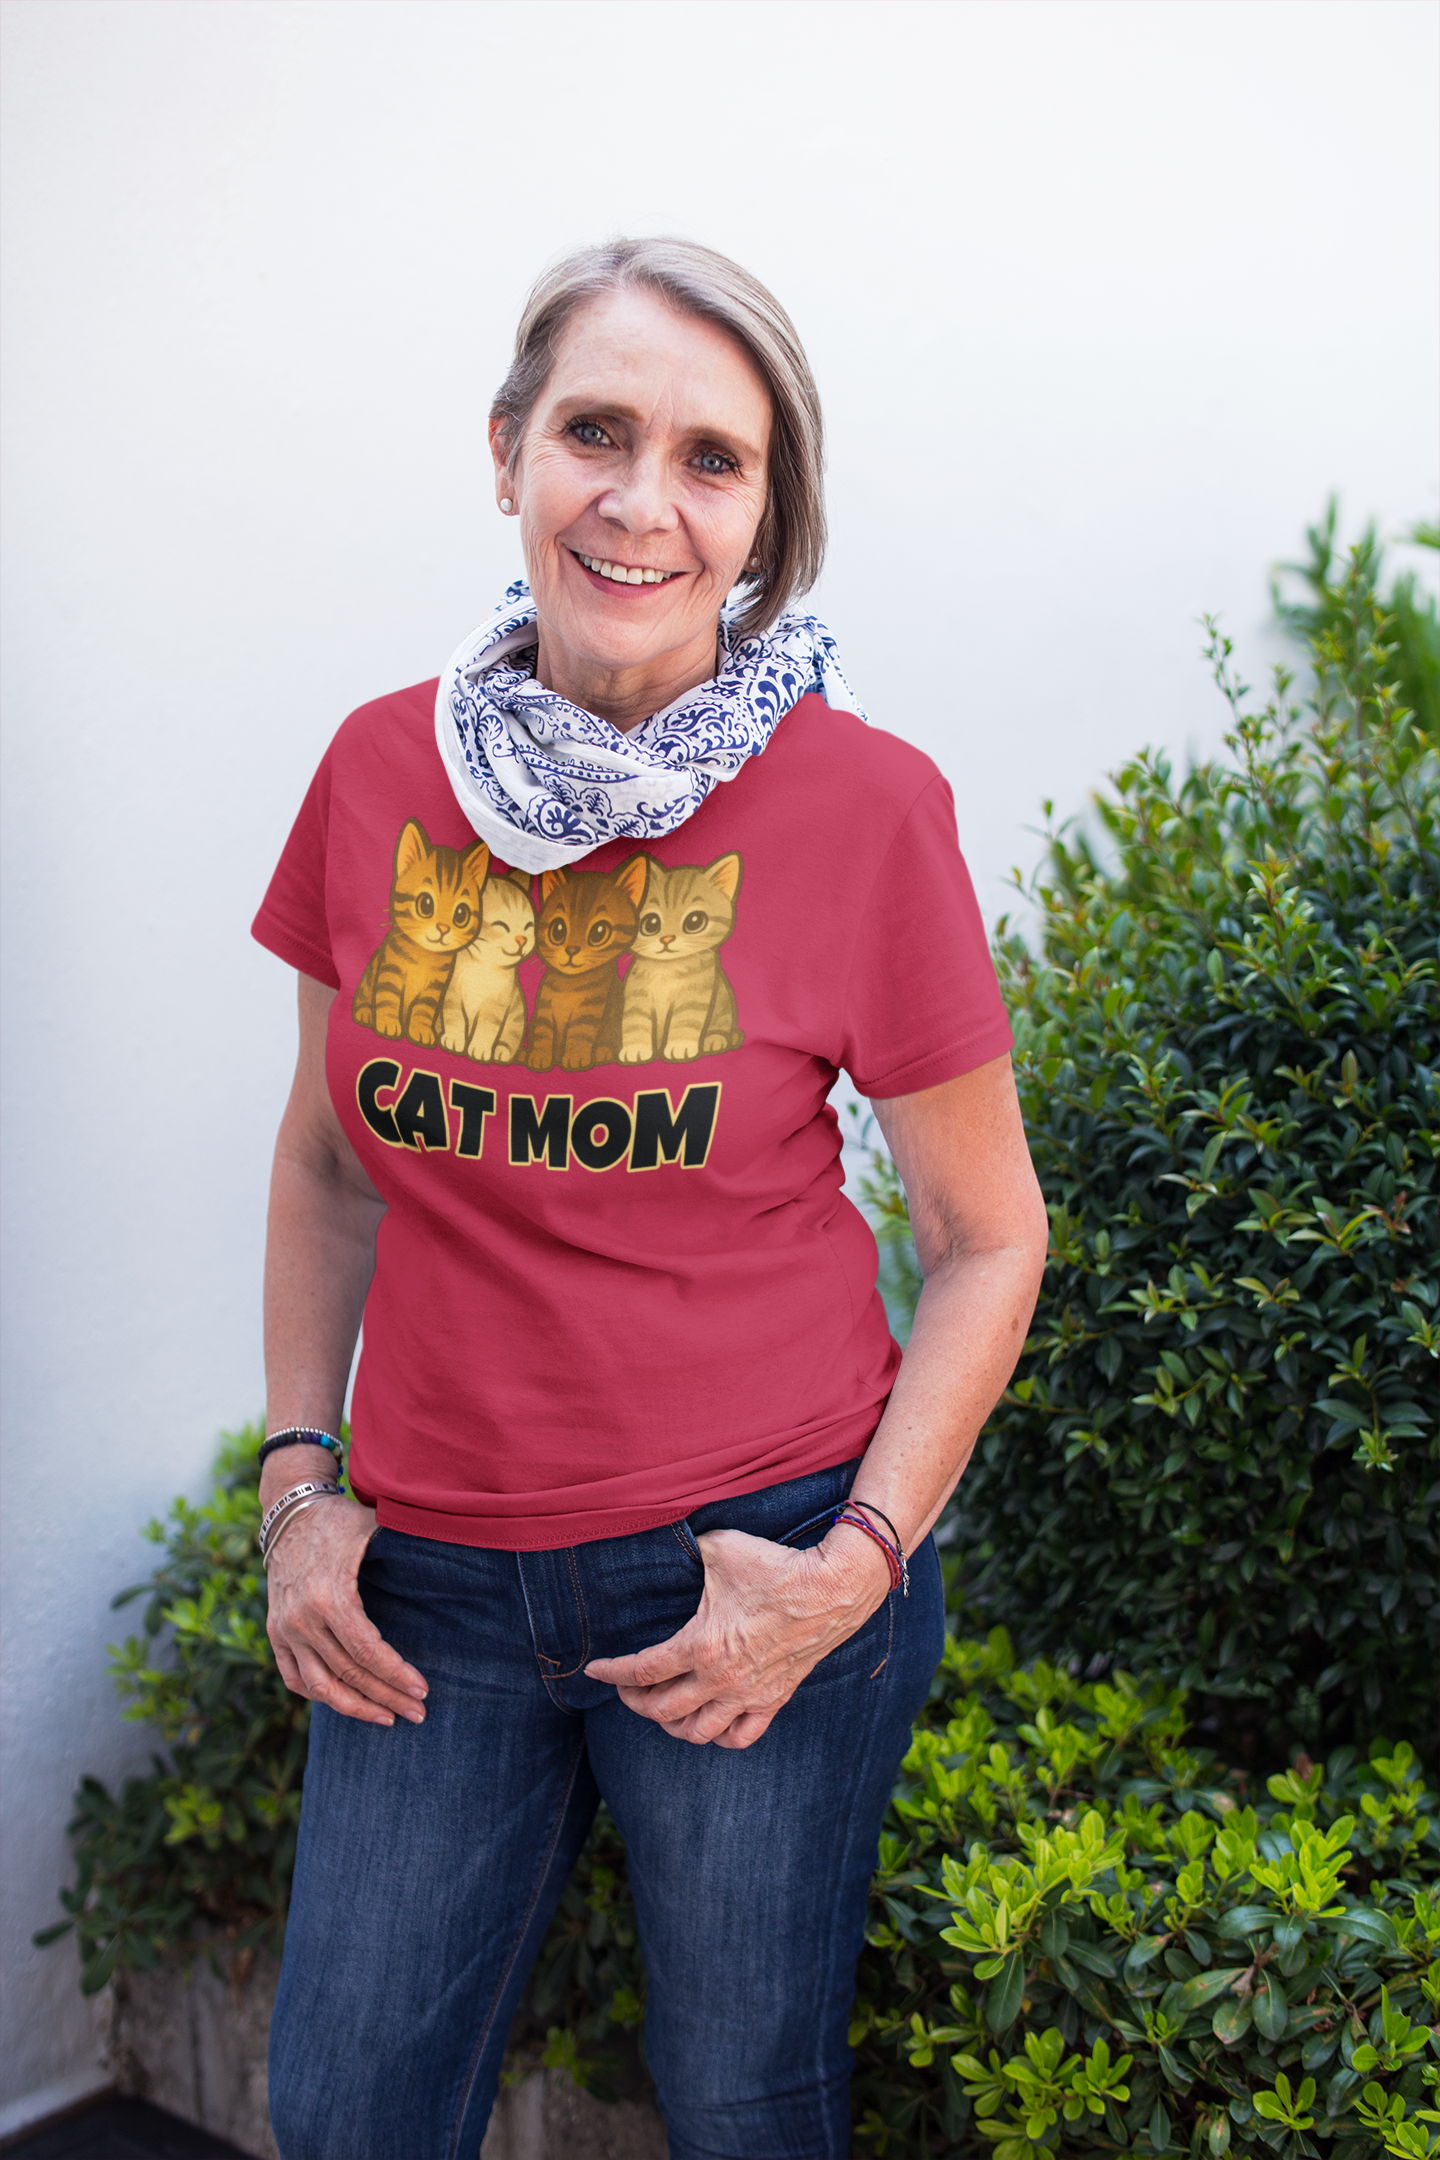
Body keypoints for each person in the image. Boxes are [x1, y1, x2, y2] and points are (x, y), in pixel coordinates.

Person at [254, 236, 1048, 2160]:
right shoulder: (378, 769)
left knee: (745, 2108)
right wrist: (294, 1488)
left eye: (712, 459)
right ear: (508, 451)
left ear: (767, 518)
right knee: (347, 2110)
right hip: (426, 1584)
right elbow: (327, 1162)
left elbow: (987, 1239)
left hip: (751, 1564)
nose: (640, 502)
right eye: (595, 432)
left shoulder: (866, 808)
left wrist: (851, 1569)